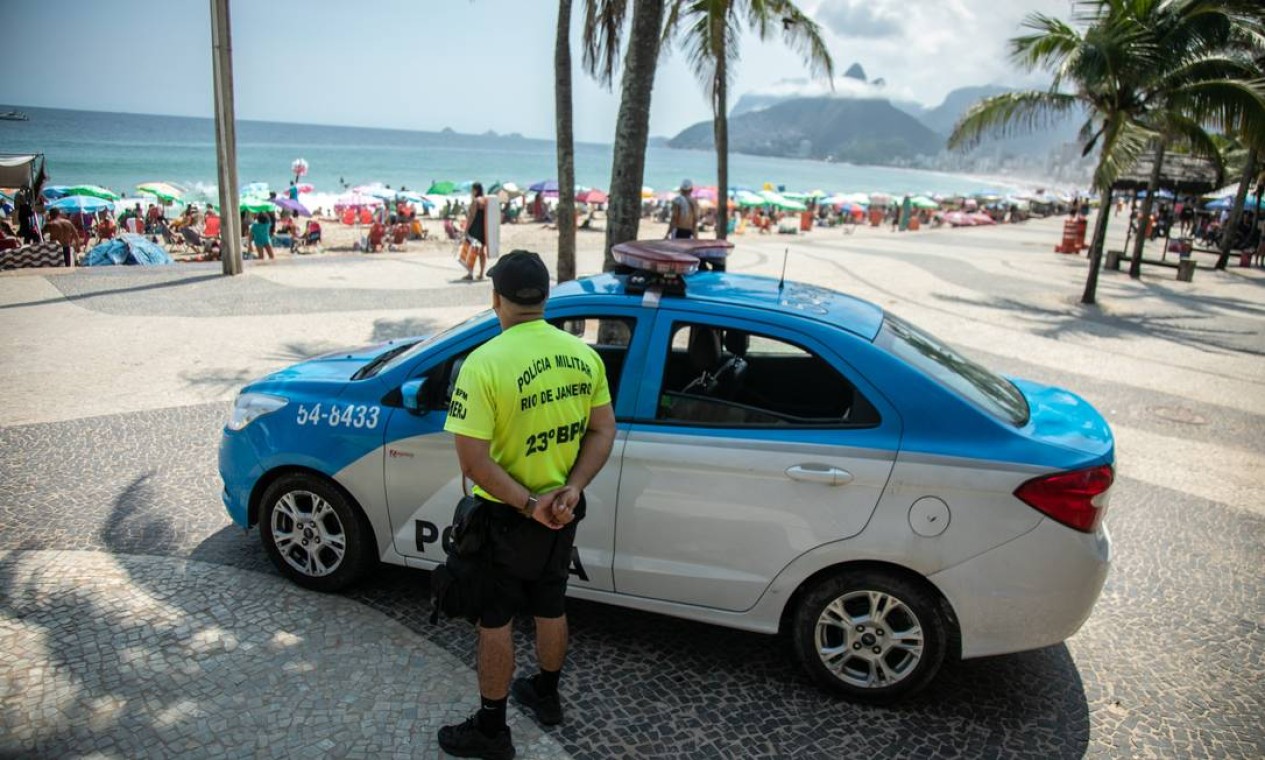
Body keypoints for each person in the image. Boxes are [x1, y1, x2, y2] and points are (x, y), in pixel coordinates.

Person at [438, 250, 616, 760]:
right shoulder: (583, 356)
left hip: (506, 516)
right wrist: (573, 488)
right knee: (550, 603)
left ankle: (492, 730)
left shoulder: (484, 362)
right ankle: (546, 693)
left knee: (494, 621)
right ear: (544, 298)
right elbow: (604, 429)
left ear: (496, 298)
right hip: (561, 510)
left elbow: (472, 461)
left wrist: (527, 502)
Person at [462, 182, 489, 280]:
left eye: (472, 190)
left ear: (476, 190)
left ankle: (470, 274)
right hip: (484, 228)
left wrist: (466, 229)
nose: (471, 192)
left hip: (476, 228)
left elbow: (471, 217)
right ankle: (481, 273)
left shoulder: (476, 201)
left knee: (472, 251)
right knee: (482, 252)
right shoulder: (486, 200)